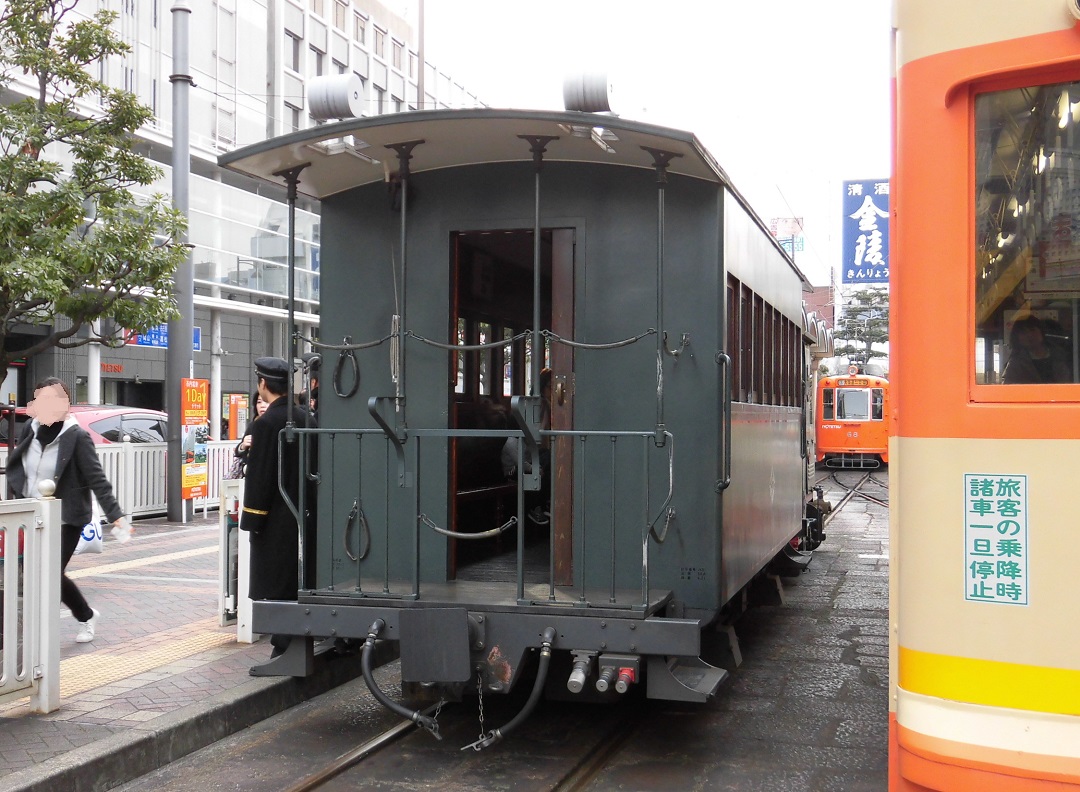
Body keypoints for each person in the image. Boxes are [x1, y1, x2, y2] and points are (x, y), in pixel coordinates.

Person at [4, 377, 128, 643]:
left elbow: (96, 478)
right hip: (32, 513)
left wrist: (116, 515)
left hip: (66, 517)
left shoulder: (77, 436)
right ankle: (81, 615)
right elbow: (19, 465)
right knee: (36, 571)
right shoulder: (30, 429)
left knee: (49, 571)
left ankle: (72, 621)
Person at [239, 357, 317, 661]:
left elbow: (260, 478)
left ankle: (283, 645)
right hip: (306, 513)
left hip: (275, 519)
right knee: (298, 579)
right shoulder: (307, 418)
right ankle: (292, 641)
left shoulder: (266, 423)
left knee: (276, 584)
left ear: (263, 384)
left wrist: (251, 519)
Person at [501, 368, 552, 524]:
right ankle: (535, 507)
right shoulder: (511, 442)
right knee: (538, 472)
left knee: (547, 460)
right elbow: (520, 462)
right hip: (513, 471)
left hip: (527, 463)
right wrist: (534, 467)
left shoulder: (524, 440)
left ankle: (543, 504)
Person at [1002, 315, 1072, 384]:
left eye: (1032, 330)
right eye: (1023, 332)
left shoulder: (1060, 355)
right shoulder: (1015, 362)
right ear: (1017, 338)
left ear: (1041, 331)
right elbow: (1007, 386)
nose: (1029, 335)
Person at [232, 391, 269, 476]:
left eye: (266, 402)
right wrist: (243, 445)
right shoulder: (253, 425)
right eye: (259, 402)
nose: (262, 406)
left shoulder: (277, 425)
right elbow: (238, 451)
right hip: (250, 473)